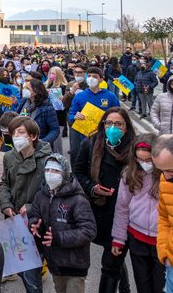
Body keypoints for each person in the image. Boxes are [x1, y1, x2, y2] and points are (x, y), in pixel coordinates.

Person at [73, 107, 135, 293]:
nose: (113, 127)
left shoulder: (134, 147)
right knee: (113, 255)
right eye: (108, 123)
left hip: (126, 214)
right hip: (100, 210)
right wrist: (92, 187)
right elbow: (79, 171)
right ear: (103, 125)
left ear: (126, 127)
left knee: (109, 264)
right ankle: (124, 288)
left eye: (118, 124)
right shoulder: (91, 143)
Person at [28, 153, 97, 293]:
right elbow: (34, 215)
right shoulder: (41, 195)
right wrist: (34, 224)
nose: (50, 174)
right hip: (55, 262)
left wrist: (58, 238)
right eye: (47, 170)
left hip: (74, 265)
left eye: (55, 171)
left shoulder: (78, 199)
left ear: (65, 173)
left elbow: (89, 231)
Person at [0, 116, 51, 292]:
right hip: (14, 221)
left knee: (31, 275)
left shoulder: (47, 160)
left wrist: (30, 206)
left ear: (33, 136)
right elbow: (4, 182)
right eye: (13, 133)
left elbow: (49, 190)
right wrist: (5, 203)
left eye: (20, 132)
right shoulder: (9, 157)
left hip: (36, 221)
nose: (16, 137)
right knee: (19, 267)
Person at [111, 133, 164, 293]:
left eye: (149, 160)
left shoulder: (166, 175)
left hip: (161, 240)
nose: (145, 164)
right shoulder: (129, 175)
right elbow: (122, 208)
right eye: (140, 160)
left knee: (161, 285)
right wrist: (118, 238)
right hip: (137, 239)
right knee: (142, 284)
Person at [68, 67, 119, 164]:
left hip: (104, 137)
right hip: (85, 137)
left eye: (95, 77)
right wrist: (75, 116)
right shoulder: (79, 96)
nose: (91, 79)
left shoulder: (110, 96)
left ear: (101, 79)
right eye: (89, 76)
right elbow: (71, 115)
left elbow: (118, 114)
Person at [152, 134, 173, 293]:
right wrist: (164, 250)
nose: (166, 176)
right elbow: (164, 217)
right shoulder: (166, 178)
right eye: (162, 170)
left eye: (170, 171)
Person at [18, 78, 60, 152]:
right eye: (24, 88)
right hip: (23, 145)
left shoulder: (47, 108)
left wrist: (42, 142)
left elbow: (55, 130)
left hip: (41, 149)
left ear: (36, 92)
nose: (24, 90)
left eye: (27, 88)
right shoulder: (26, 102)